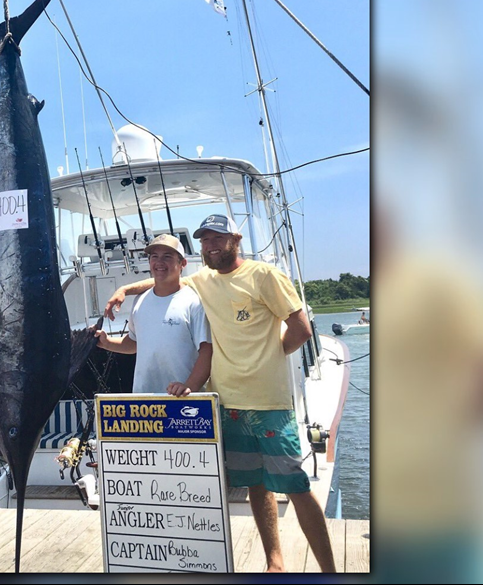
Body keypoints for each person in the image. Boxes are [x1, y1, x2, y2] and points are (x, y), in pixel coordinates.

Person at [104, 214, 336, 572]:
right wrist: (123, 290)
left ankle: (329, 571)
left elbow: (301, 329)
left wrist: (269, 355)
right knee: (257, 487)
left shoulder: (264, 275)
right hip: (226, 404)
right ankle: (275, 563)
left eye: (218, 238)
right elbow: (160, 279)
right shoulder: (203, 281)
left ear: (236, 239)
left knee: (296, 486)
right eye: (205, 241)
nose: (210, 246)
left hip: (269, 404)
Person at [95, 234, 213, 396]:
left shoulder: (194, 302)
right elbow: (135, 342)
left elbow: (207, 351)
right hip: (143, 401)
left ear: (182, 264)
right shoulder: (140, 301)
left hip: (183, 401)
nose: (159, 262)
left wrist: (189, 387)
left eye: (167, 257)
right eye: (154, 257)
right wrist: (107, 342)